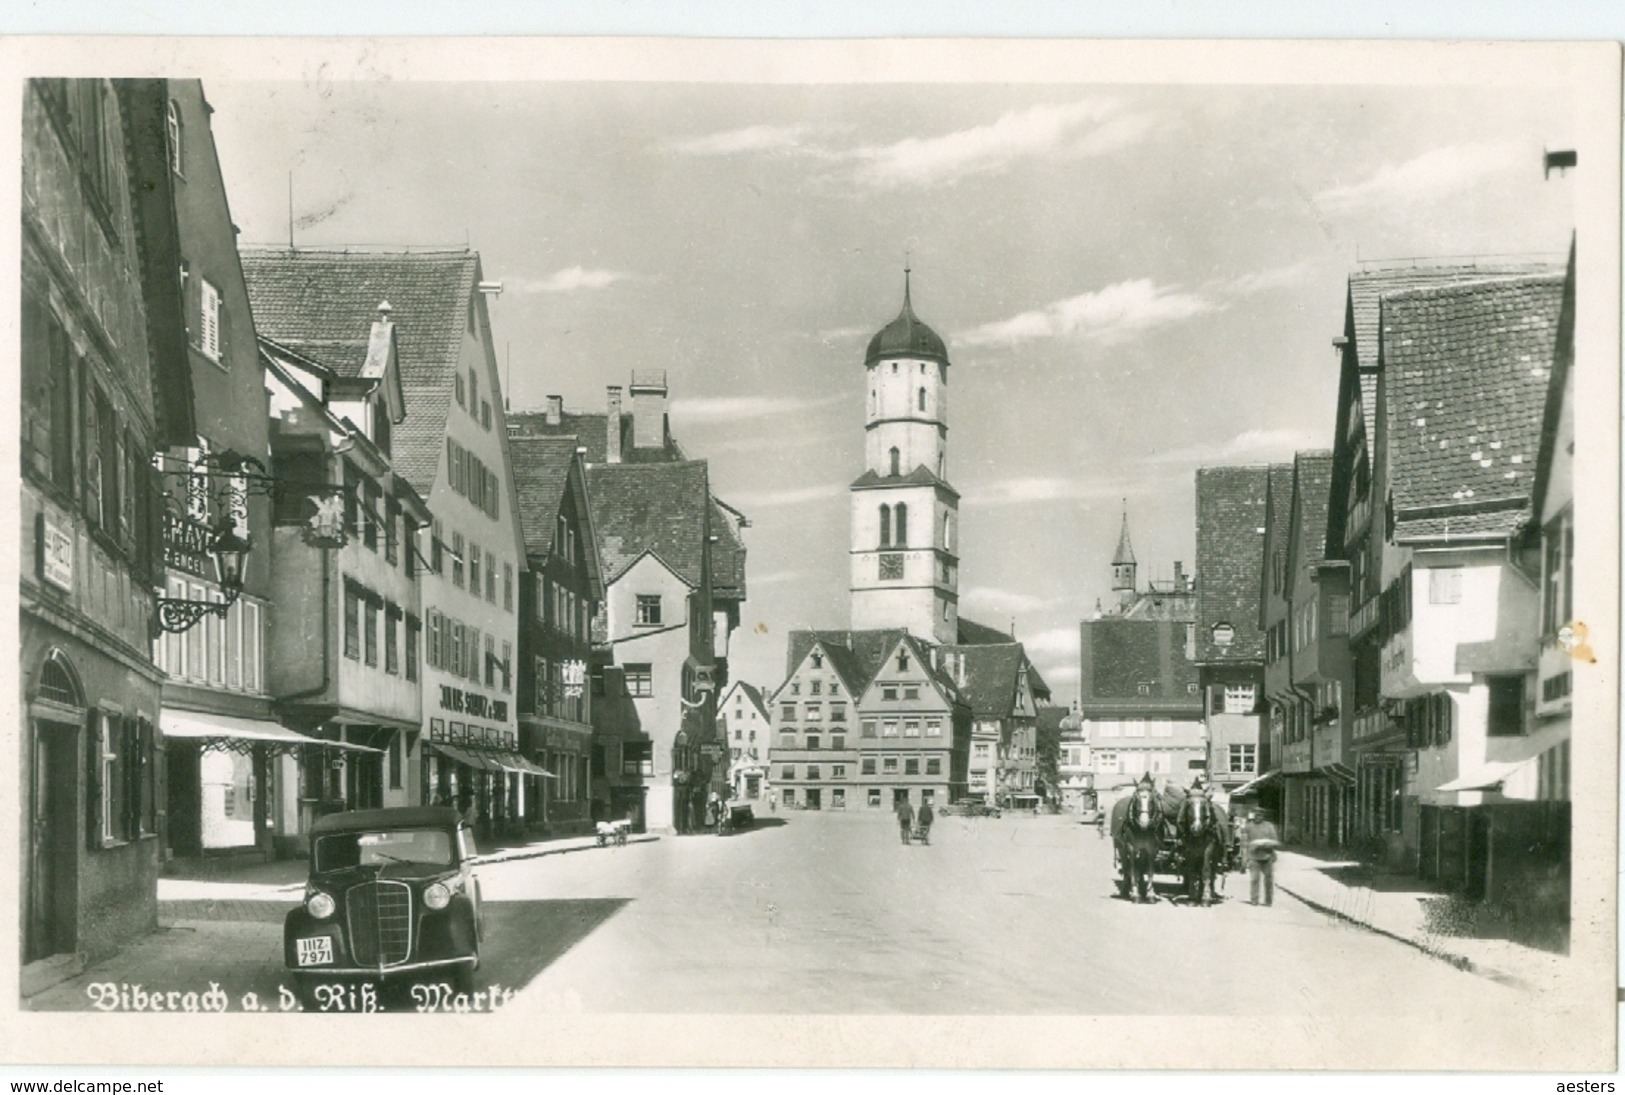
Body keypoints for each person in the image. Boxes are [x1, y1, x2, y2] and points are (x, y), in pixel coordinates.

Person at [1246, 808, 1281, 906]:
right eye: (1256, 815)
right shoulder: (1248, 827)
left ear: (1263, 816)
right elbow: (1244, 843)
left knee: (1269, 880)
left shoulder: (1269, 827)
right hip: (1254, 857)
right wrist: (1245, 858)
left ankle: (1268, 901)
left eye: (1260, 815)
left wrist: (1265, 843)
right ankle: (1254, 900)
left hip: (1267, 856)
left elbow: (1276, 842)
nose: (1257, 817)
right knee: (1254, 879)